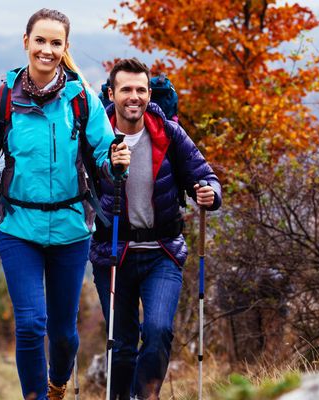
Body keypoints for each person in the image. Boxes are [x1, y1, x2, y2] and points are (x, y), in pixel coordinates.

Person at [0, 9, 131, 400]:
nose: (47, 50)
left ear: (65, 49)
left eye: (56, 43)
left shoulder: (80, 99)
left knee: (63, 334)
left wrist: (114, 161)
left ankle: (58, 383)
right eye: (41, 41)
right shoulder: (2, 99)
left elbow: (103, 151)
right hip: (18, 228)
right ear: (26, 42)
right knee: (31, 324)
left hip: (70, 229)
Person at [90, 58, 222, 400]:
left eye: (140, 90)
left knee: (159, 331)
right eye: (125, 90)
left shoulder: (169, 133)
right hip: (112, 253)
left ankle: (144, 396)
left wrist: (210, 193)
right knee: (120, 346)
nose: (133, 97)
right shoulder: (96, 135)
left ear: (149, 94)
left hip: (162, 251)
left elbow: (204, 174)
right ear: (111, 93)